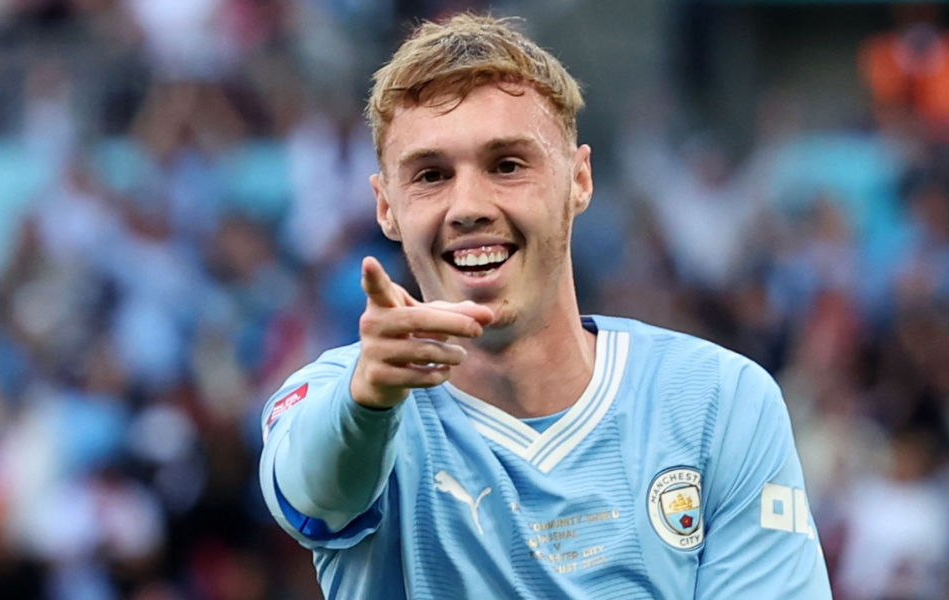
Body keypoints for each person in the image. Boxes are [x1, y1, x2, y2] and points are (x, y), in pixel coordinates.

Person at [259, 13, 832, 599]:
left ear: (579, 180)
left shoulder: (719, 399)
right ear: (386, 206)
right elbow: (318, 495)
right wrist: (367, 408)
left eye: (507, 165)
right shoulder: (342, 398)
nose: (468, 206)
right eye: (431, 175)